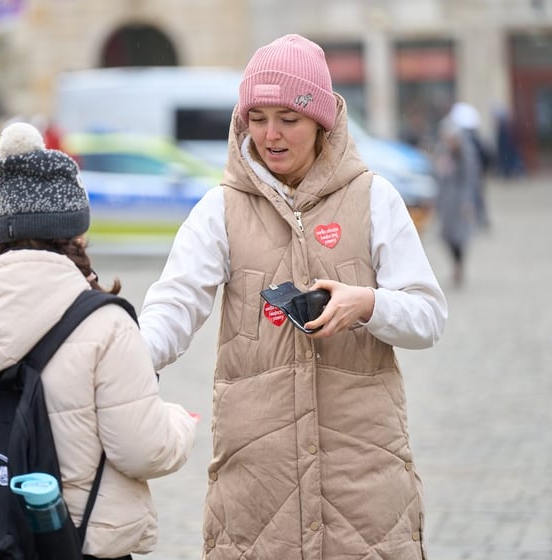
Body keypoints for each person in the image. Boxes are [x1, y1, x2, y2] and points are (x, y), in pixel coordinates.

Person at [139, 34, 447, 559]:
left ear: (322, 122)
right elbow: (175, 303)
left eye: (289, 118)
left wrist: (368, 304)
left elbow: (427, 316)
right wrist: (129, 359)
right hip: (259, 484)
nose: (271, 135)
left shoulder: (376, 198)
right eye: (257, 117)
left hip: (364, 479)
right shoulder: (219, 210)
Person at [0, 122, 197, 560]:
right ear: (77, 233)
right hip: (70, 542)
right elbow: (143, 449)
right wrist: (180, 422)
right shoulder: (104, 323)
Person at [433, 110, 482, 287]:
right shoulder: (442, 149)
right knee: (445, 235)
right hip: (446, 198)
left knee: (460, 235)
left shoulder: (466, 152)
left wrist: (468, 201)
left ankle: (459, 266)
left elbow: (470, 178)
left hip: (460, 198)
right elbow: (437, 173)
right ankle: (455, 263)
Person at [449, 101, 493, 230]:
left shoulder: (464, 141)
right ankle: (480, 221)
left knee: (471, 198)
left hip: (470, 173)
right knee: (476, 197)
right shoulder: (474, 136)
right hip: (475, 173)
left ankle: (476, 222)